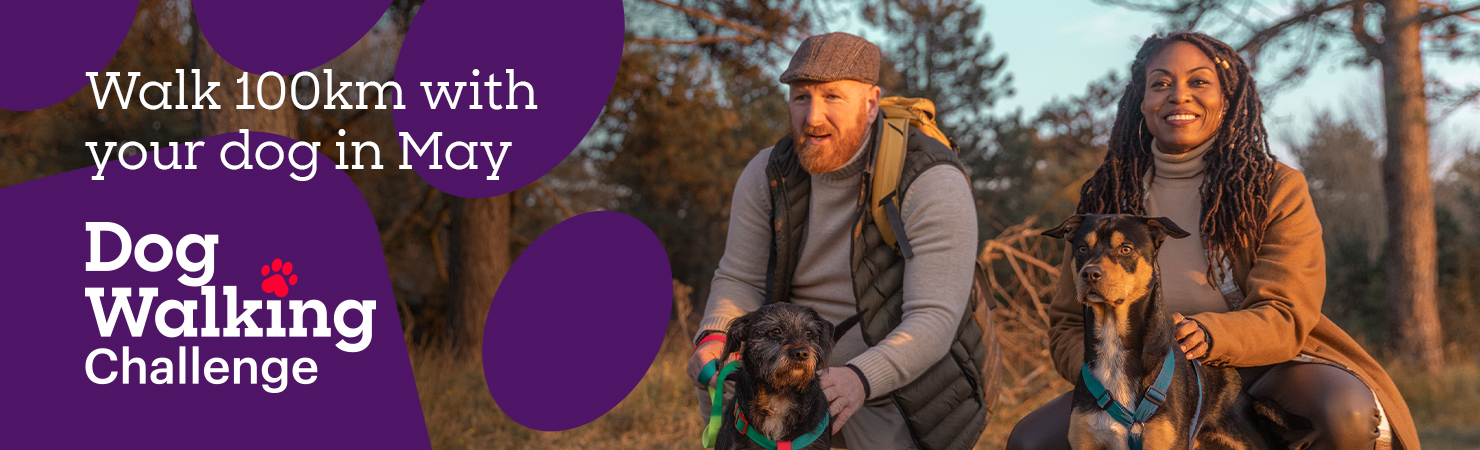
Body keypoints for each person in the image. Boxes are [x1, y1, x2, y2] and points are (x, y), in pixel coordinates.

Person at [1005, 31, 1418, 450]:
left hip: (1263, 367)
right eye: (1161, 83)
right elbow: (1068, 324)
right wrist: (1106, 372)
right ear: (1140, 101)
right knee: (1030, 441)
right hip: (1134, 375)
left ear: (1227, 98)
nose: (1178, 96)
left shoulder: (1273, 186)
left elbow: (1288, 311)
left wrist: (1209, 333)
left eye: (1199, 82)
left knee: (1343, 409)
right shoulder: (1108, 197)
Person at [686, 32, 990, 450]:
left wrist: (859, 378)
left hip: (896, 381)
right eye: (800, 98)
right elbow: (739, 277)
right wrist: (714, 337)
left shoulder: (932, 179)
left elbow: (933, 319)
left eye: (832, 97)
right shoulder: (766, 173)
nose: (812, 117)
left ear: (871, 104)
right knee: (716, 384)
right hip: (780, 365)